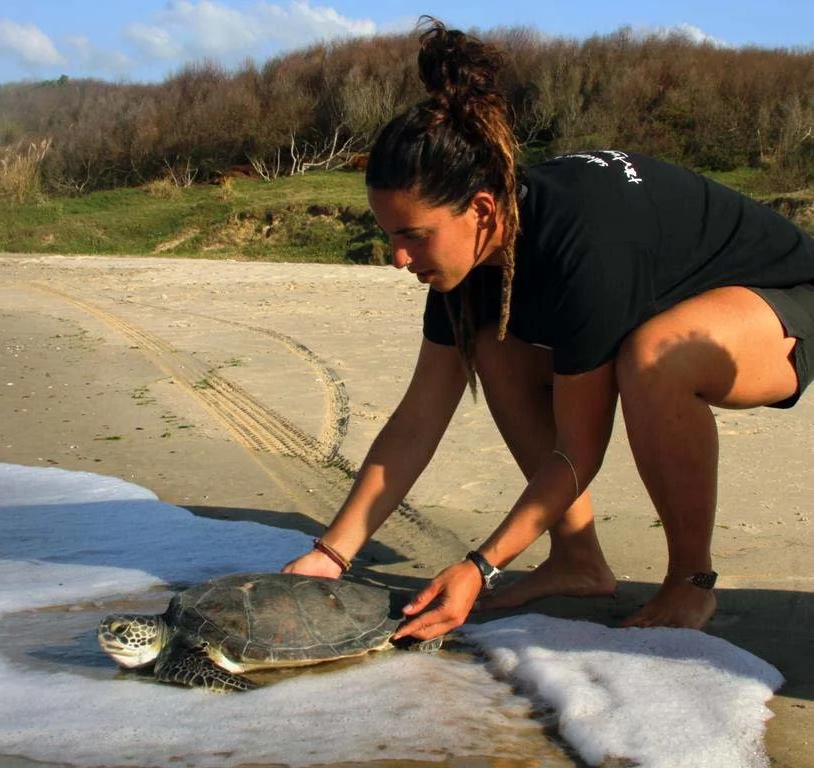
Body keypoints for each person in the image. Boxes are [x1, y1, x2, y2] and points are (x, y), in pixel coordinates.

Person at [283, 20, 814, 640]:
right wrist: (333, 553)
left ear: (481, 210)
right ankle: (577, 559)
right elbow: (418, 418)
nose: (397, 257)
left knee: (653, 358)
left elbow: (577, 452)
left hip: (784, 301)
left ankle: (689, 580)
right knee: (492, 345)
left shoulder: (584, 248)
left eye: (413, 235)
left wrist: (481, 566)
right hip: (667, 294)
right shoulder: (467, 262)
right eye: (389, 235)